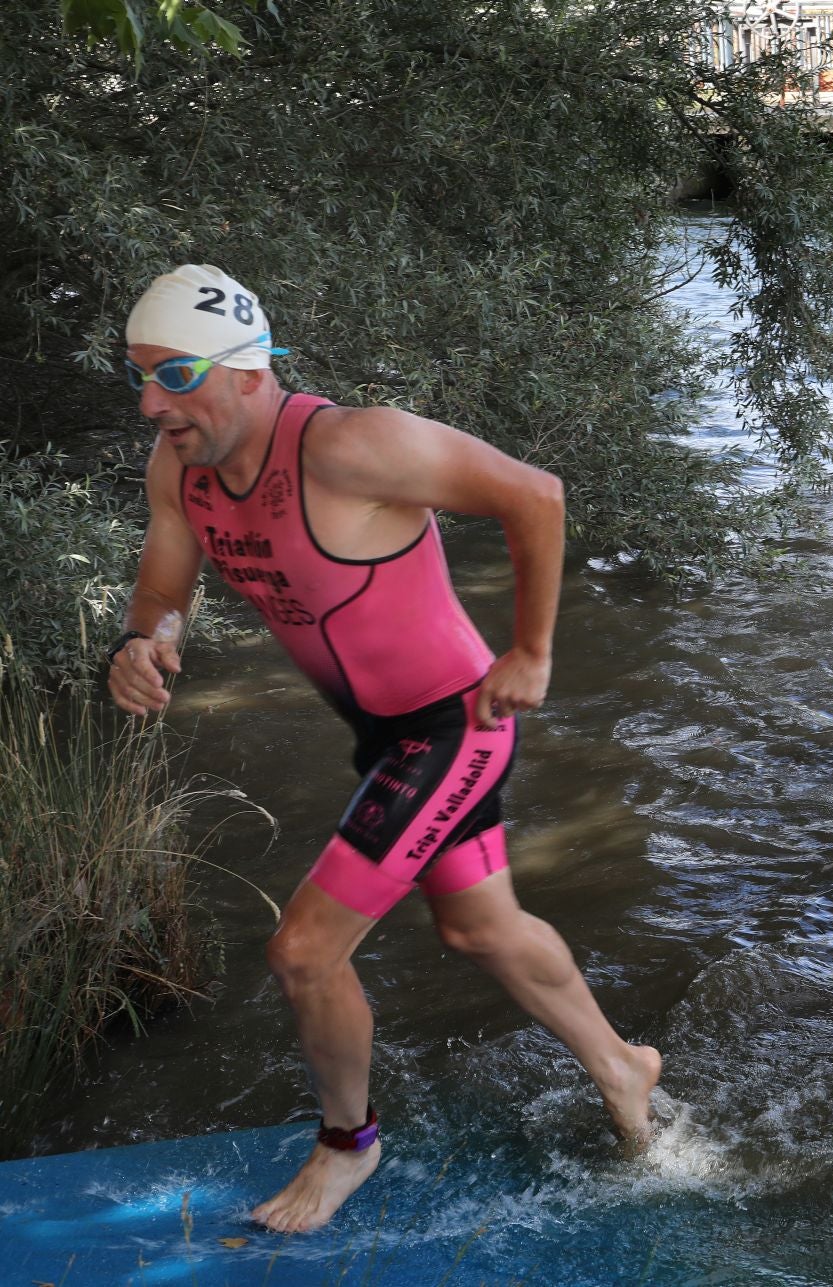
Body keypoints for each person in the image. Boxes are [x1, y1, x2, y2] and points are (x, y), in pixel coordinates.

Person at [107, 265, 659, 1234]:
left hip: (455, 724)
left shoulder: (352, 446)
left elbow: (535, 495)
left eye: (176, 374)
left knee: (304, 952)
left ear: (244, 373)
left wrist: (531, 649)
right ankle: (624, 1064)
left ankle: (347, 1146)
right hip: (383, 733)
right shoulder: (179, 468)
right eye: (140, 375)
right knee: (478, 928)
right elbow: (162, 587)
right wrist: (146, 641)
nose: (153, 402)